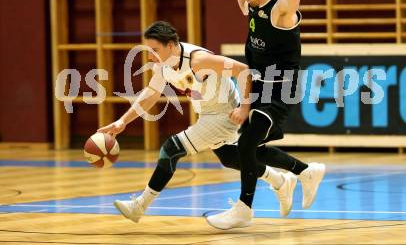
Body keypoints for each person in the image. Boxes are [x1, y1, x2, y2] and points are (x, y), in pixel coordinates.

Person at [98, 20, 299, 223]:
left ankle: (139, 206)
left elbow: (244, 71)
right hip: (207, 114)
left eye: (154, 50)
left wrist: (244, 108)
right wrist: (122, 122)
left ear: (170, 45)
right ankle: (281, 181)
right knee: (230, 158)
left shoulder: (199, 60)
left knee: (170, 149)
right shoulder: (162, 65)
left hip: (224, 113)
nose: (150, 56)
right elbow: (151, 94)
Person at [206, 0, 326, 230]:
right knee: (243, 150)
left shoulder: (280, 10)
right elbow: (241, 0)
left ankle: (244, 208)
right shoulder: (254, 6)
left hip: (281, 87)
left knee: (247, 145)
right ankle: (304, 172)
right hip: (260, 85)